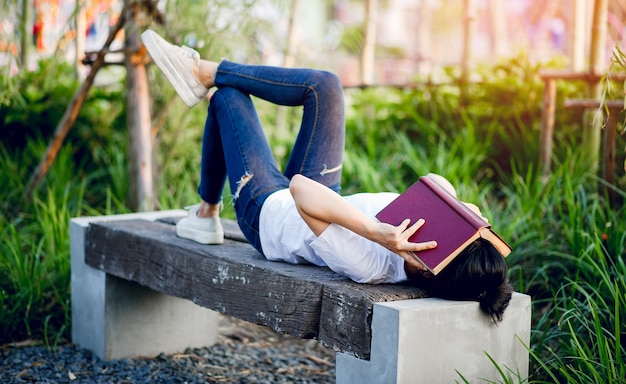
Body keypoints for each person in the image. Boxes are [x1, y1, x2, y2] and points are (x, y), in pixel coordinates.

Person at [140, 30, 513, 322]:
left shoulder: (371, 265)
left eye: (454, 242)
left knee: (228, 98)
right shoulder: (424, 241)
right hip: (324, 194)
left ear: (426, 271)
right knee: (326, 86)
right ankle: (204, 70)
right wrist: (465, 220)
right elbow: (437, 182)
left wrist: (377, 233)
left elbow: (301, 190)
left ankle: (207, 211)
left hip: (269, 212)